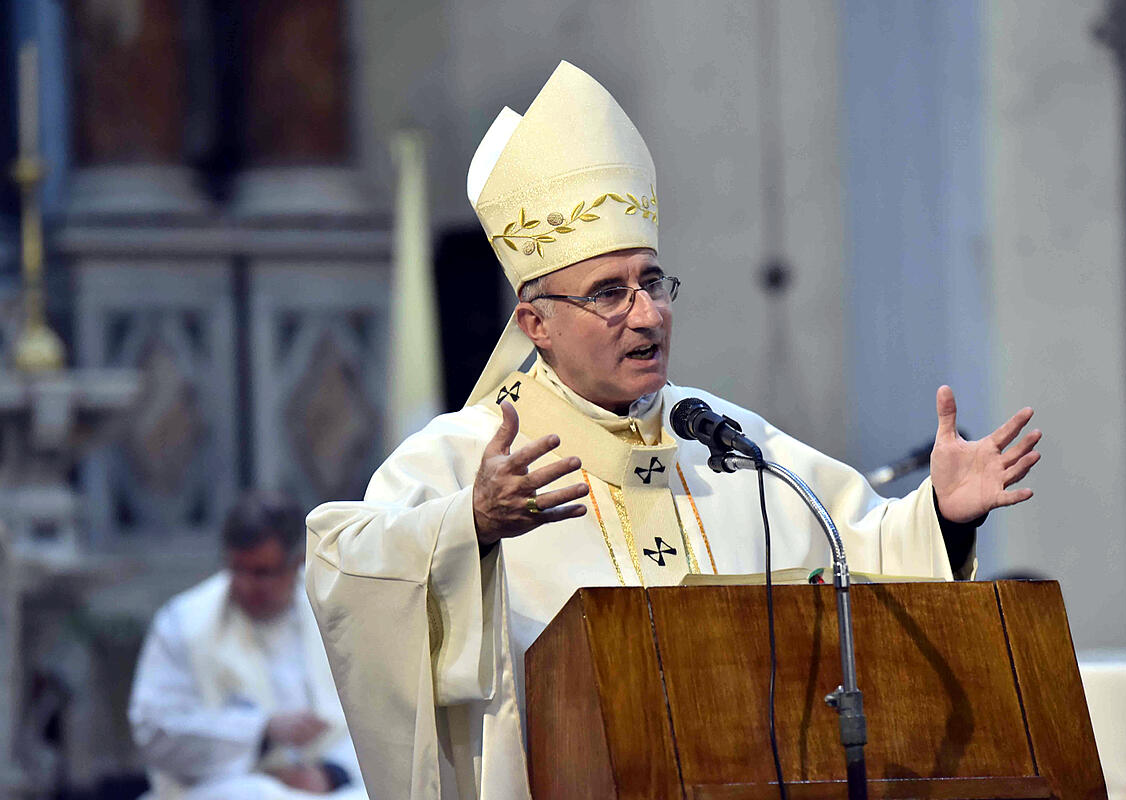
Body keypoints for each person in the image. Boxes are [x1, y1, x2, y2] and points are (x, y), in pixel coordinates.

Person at [304, 62, 1042, 800]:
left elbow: (857, 555)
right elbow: (344, 566)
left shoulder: (723, 437)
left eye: (652, 282)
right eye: (608, 293)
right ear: (535, 324)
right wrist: (469, 525)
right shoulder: (464, 456)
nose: (649, 314)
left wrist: (943, 516)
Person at [129, 491, 367, 800]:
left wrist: (332, 774)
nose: (244, 585)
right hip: (231, 786)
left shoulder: (336, 611)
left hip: (333, 785)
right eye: (237, 569)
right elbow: (154, 730)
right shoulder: (184, 623)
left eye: (261, 573)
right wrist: (261, 731)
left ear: (296, 564)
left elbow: (379, 717)